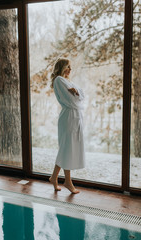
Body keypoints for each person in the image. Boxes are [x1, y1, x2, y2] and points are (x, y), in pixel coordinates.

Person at [49, 58, 85, 194]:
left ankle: (54, 177)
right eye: (67, 66)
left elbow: (82, 96)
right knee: (66, 148)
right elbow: (73, 99)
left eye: (71, 67)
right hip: (69, 116)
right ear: (61, 67)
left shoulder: (69, 81)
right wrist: (76, 93)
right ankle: (67, 182)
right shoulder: (59, 80)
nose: (70, 69)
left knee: (67, 148)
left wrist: (77, 93)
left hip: (75, 116)